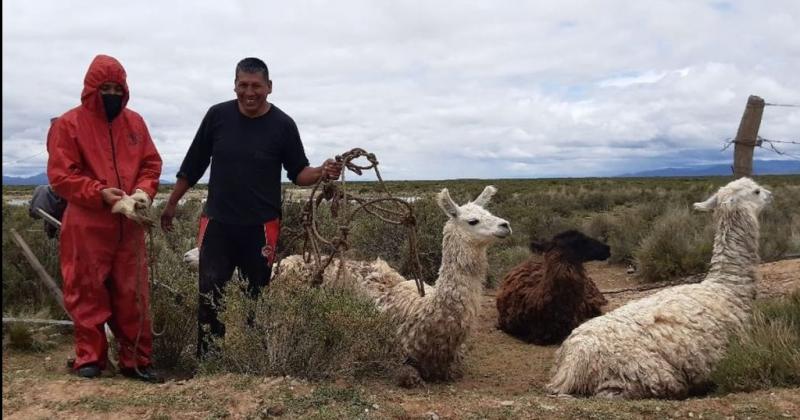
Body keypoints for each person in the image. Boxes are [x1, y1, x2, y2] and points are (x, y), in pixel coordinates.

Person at [160, 57, 342, 358]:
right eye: (243, 85)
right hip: (218, 223)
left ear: (269, 88)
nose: (249, 92)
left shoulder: (283, 125)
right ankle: (209, 364)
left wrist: (322, 171)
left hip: (261, 227)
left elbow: (298, 173)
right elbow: (193, 165)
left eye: (256, 86)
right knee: (209, 296)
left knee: (257, 299)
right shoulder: (216, 116)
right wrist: (171, 203)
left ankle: (253, 363)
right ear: (234, 85)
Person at [47, 54, 163, 382]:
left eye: (117, 87)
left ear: (125, 90)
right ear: (91, 89)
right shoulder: (69, 124)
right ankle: (91, 358)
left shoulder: (135, 123)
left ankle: (136, 361)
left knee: (134, 294)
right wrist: (99, 193)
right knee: (86, 290)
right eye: (105, 87)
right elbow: (61, 175)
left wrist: (142, 193)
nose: (111, 93)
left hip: (130, 223)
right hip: (86, 224)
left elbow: (151, 164)